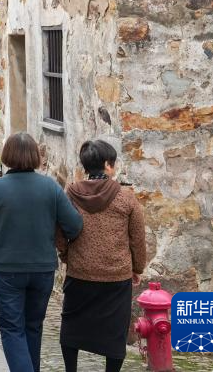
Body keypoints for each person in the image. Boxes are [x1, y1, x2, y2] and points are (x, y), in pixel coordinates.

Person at [0, 132, 83, 372]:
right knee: (33, 326)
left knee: (12, 328)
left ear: (6, 155)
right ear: (36, 156)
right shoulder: (50, 187)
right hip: (42, 268)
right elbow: (74, 225)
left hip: (6, 268)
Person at [57, 140, 147, 372]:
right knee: (114, 331)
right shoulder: (126, 198)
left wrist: (67, 256)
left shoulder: (70, 194)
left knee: (72, 325)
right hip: (116, 276)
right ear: (108, 165)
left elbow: (59, 230)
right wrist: (137, 268)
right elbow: (137, 237)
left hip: (80, 272)